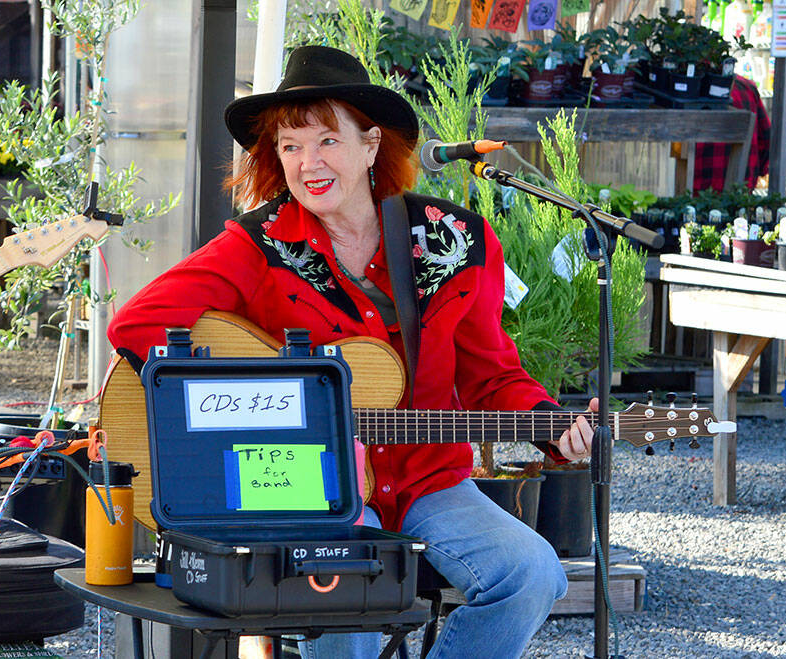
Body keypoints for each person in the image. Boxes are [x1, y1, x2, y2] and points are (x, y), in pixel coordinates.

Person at [107, 45, 597, 658]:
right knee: (341, 587)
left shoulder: (456, 241)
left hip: (427, 481)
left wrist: (549, 423)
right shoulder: (258, 245)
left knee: (531, 573)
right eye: (290, 146)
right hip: (312, 487)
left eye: (327, 141)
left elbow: (491, 374)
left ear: (371, 145)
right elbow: (136, 324)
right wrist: (271, 402)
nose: (307, 162)